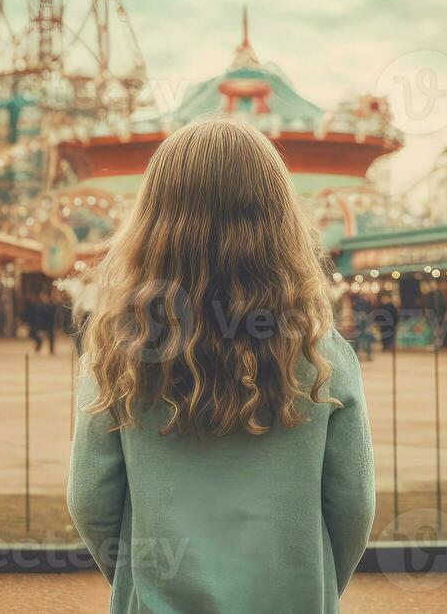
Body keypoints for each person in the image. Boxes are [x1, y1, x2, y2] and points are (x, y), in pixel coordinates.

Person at [68, 117, 375, 613]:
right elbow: (353, 506)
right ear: (280, 221)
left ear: (152, 222)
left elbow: (89, 500)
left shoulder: (117, 351)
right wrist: (313, 584)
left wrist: (137, 578)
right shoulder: (322, 354)